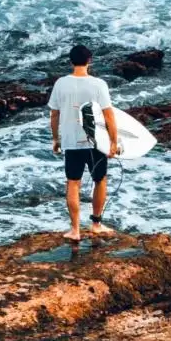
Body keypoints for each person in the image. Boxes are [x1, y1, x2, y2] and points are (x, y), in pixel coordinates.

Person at [48, 43, 119, 243]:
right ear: (89, 60)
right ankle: (96, 224)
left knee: (73, 183)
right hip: (96, 141)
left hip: (71, 141)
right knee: (100, 180)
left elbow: (54, 114)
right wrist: (114, 141)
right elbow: (109, 116)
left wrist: (56, 138)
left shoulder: (61, 83)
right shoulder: (98, 84)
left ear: (71, 61)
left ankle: (75, 230)